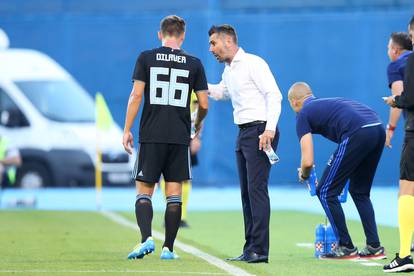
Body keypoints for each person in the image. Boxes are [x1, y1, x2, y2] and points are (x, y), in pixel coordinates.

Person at [122, 15, 208, 260]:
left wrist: (127, 129)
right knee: (174, 193)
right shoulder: (194, 63)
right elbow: (203, 103)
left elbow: (136, 96)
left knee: (144, 191)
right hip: (180, 136)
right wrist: (197, 125)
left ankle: (146, 238)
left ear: (160, 34)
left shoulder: (146, 58)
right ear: (182, 36)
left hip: (151, 134)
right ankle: (168, 249)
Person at [208, 24, 282, 263]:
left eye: (213, 43)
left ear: (228, 41)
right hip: (244, 133)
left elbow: (274, 95)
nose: (211, 49)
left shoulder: (253, 63)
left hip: (261, 131)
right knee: (247, 194)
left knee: (256, 191)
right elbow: (221, 92)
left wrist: (269, 129)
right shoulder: (229, 70)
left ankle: (260, 250)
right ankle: (251, 247)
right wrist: (196, 81)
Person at [288, 82, 386, 260]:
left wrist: (304, 174)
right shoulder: (325, 104)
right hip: (378, 128)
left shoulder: (302, 113)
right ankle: (374, 246)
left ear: (294, 102)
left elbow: (308, 161)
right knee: (360, 192)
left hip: (358, 133)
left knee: (325, 191)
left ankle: (346, 246)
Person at [383, 16, 414, 273]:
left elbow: (404, 94)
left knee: (406, 189)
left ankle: (404, 254)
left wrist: (391, 128)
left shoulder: (403, 62)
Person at [160, 92, 202, 228]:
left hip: (184, 132)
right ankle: (171, 213)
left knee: (184, 176)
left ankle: (181, 216)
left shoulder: (190, 76)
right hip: (167, 131)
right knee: (167, 174)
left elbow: (198, 108)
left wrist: (196, 136)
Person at [385, 32, 413, 148]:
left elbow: (398, 98)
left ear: (395, 50)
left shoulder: (395, 66)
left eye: (388, 48)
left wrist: (390, 129)